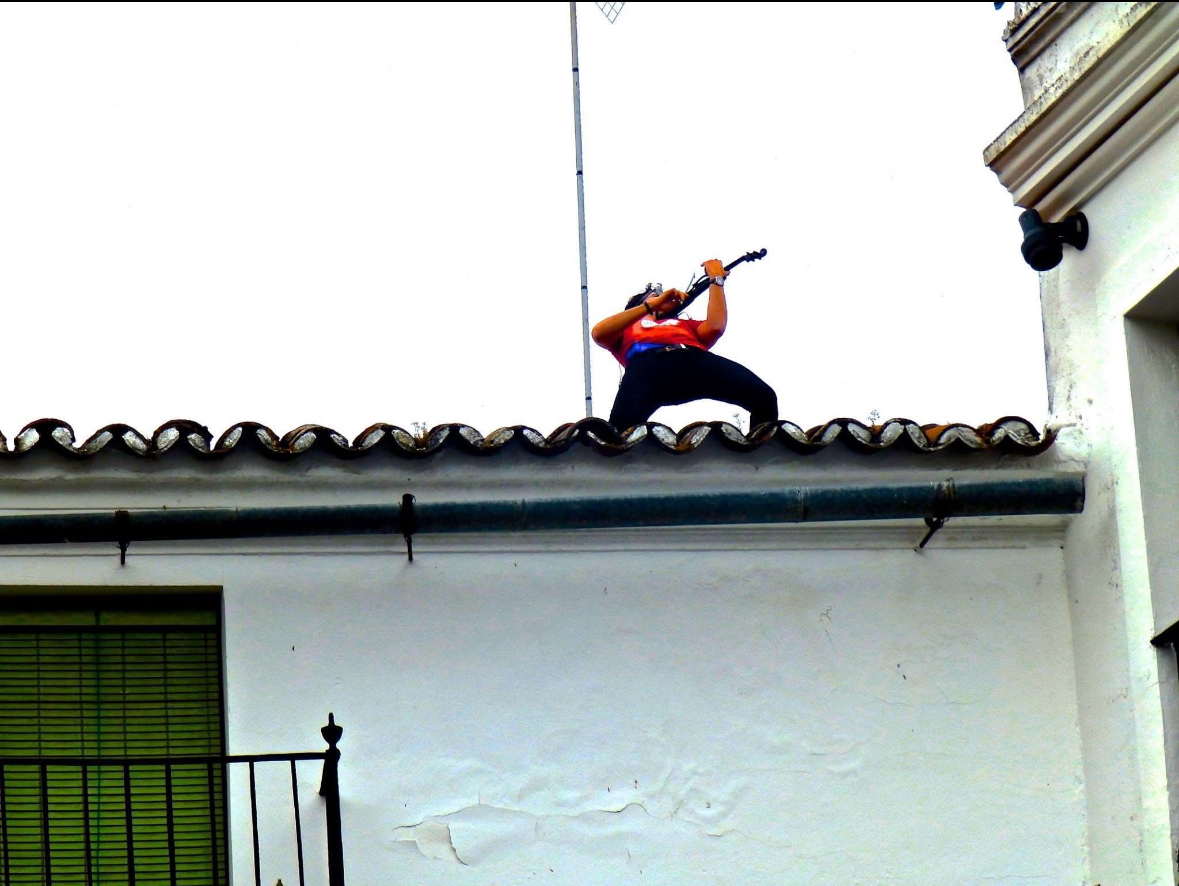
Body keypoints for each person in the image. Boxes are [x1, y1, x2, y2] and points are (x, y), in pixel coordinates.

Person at [591, 257, 778, 432]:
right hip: (648, 367)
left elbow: (715, 326)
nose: (661, 297)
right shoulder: (627, 326)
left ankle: (761, 454)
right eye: (654, 295)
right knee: (618, 431)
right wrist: (651, 306)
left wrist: (716, 280)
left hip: (693, 359)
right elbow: (599, 333)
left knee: (764, 397)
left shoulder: (684, 325)